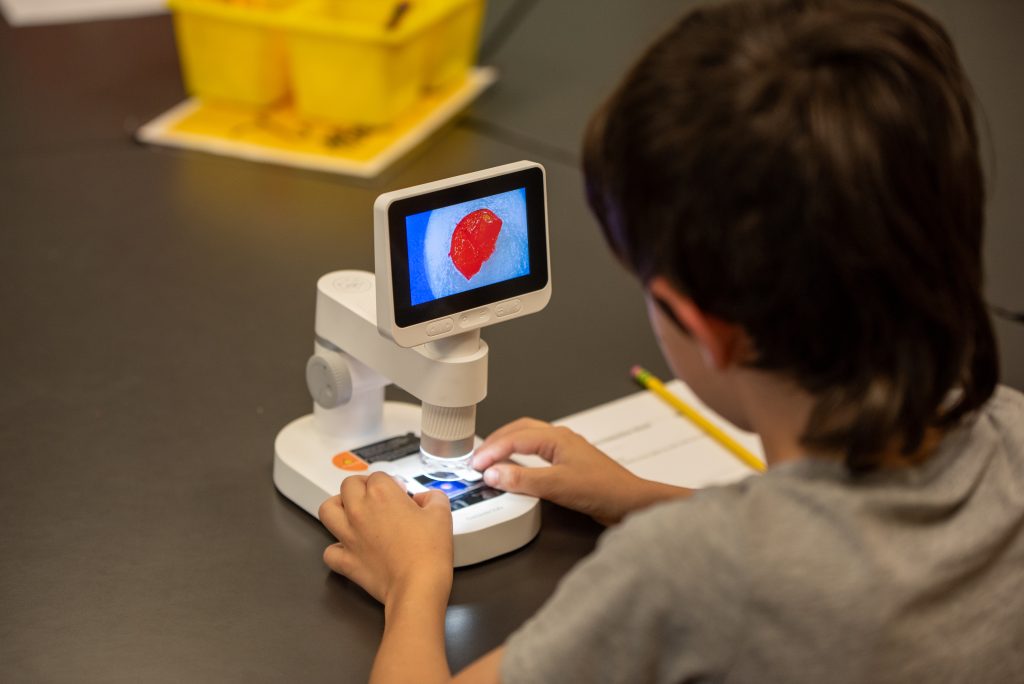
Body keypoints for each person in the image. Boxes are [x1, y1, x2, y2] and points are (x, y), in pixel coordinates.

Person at [316, 0, 1024, 681]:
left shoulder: (677, 580)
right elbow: (862, 549)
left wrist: (413, 582)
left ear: (703, 329)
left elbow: (741, 579)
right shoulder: (1011, 434)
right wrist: (640, 496)